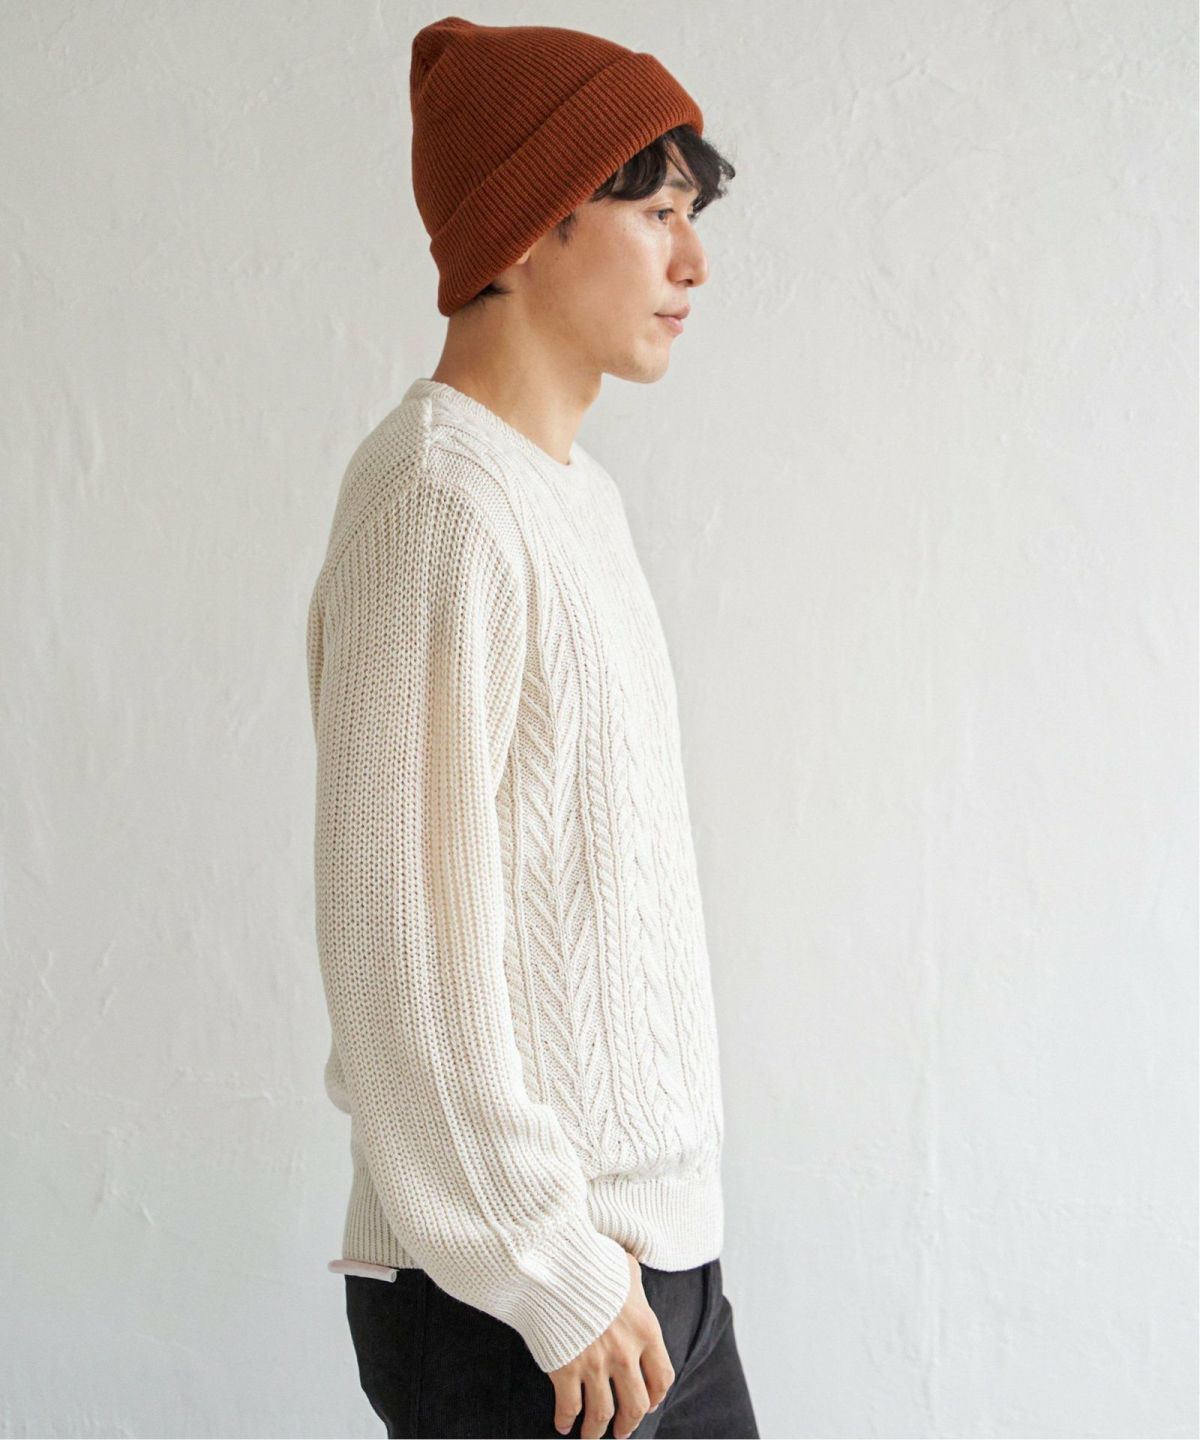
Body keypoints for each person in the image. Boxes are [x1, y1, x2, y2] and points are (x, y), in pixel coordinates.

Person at [305, 15, 756, 1439]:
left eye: (693, 216)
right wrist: (551, 1272)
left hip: (652, 1279)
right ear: (529, 221)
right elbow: (399, 962)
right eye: (657, 212)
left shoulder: (575, 501)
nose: (693, 262)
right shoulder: (436, 505)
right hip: (522, 1307)